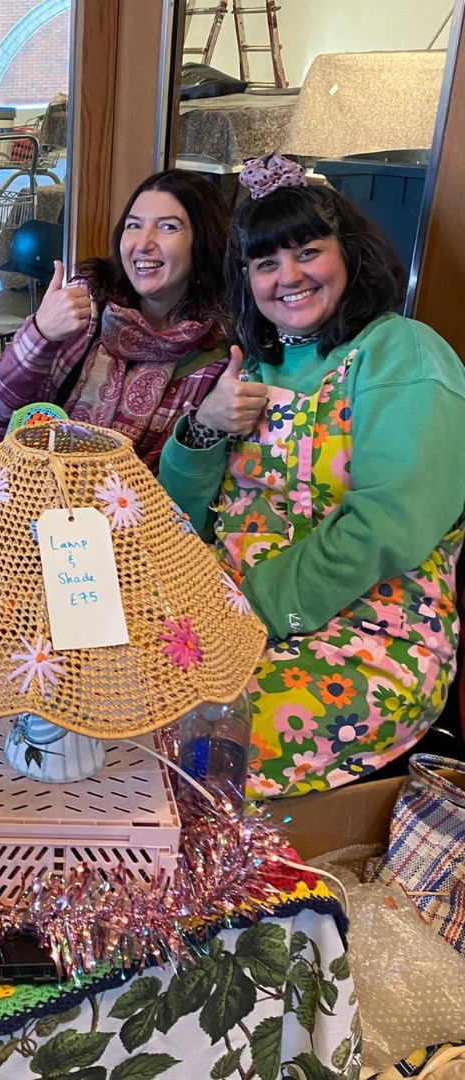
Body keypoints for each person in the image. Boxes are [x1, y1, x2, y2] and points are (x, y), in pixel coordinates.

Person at [157, 153, 465, 799]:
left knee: (186, 751)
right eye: (266, 263)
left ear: (348, 254)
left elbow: (389, 523)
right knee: (100, 696)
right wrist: (207, 425)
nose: (288, 277)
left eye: (307, 252)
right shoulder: (255, 368)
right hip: (222, 608)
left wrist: (249, 613)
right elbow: (173, 521)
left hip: (366, 629)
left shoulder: (400, 352)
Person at [0, 169, 232, 481]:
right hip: (22, 497)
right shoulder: (87, 303)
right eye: (133, 226)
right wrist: (40, 334)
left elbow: (176, 487)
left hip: (128, 520)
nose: (143, 243)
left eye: (167, 227)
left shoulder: (216, 355)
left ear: (202, 241)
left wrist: (205, 426)